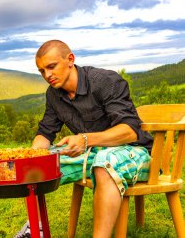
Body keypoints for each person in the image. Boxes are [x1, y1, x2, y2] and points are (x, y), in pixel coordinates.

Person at [14, 40, 153, 238]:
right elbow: (45, 133)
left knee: (103, 163)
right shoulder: (53, 95)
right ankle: (36, 228)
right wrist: (30, 156)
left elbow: (130, 131)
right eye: (42, 71)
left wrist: (85, 139)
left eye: (51, 67)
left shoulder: (105, 81)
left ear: (70, 59)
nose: (47, 75)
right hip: (91, 153)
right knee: (35, 164)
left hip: (136, 151)